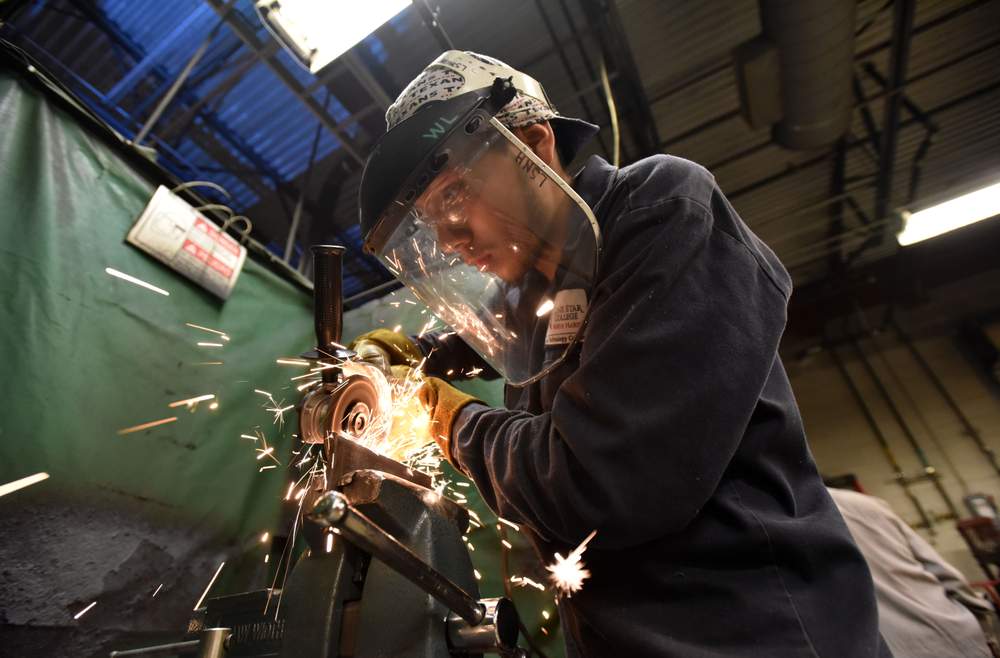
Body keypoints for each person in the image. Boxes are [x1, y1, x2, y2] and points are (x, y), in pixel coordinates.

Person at [352, 50, 890, 657]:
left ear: (532, 146)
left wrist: (447, 420)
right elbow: (487, 339)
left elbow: (594, 482)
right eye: (432, 223)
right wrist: (396, 355)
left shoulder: (662, 211)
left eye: (454, 200)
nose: (450, 241)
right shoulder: (534, 288)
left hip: (756, 634)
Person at [828, 486, 998, 658]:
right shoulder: (862, 504)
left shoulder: (804, 523)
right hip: (954, 637)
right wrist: (984, 635)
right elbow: (948, 577)